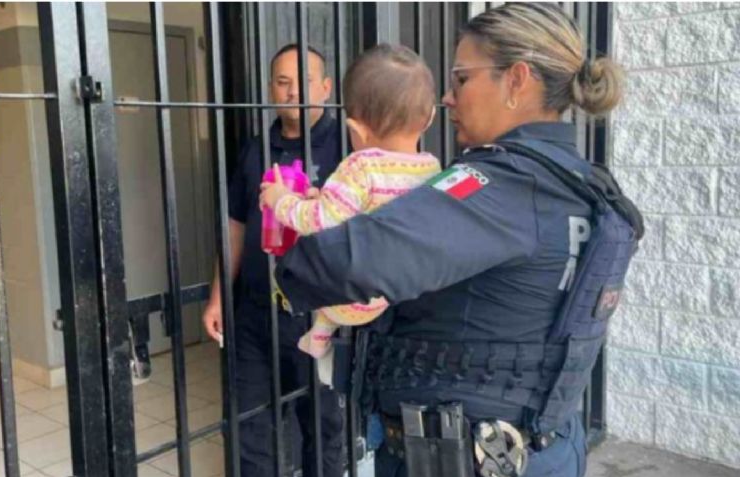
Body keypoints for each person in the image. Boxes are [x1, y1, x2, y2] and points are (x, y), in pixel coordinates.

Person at [274, 4, 640, 477]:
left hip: (461, 458)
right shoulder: (582, 180)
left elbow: (347, 261)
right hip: (545, 446)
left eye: (462, 79)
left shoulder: (498, 186)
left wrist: (290, 275)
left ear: (516, 80)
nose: (447, 97)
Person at [201, 44, 344, 476]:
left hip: (322, 316)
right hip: (256, 316)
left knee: (323, 432)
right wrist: (217, 297)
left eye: (302, 81)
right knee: (248, 430)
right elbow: (236, 227)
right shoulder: (254, 150)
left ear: (325, 87)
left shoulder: (347, 149)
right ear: (270, 88)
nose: (291, 91)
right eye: (282, 82)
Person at [259, 44, 441, 360]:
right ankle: (319, 339)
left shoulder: (360, 166)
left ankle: (319, 337)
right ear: (429, 119)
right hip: (400, 287)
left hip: (350, 297)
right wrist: (328, 199)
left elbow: (319, 221)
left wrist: (280, 199)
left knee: (306, 274)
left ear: (354, 128)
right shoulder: (431, 166)